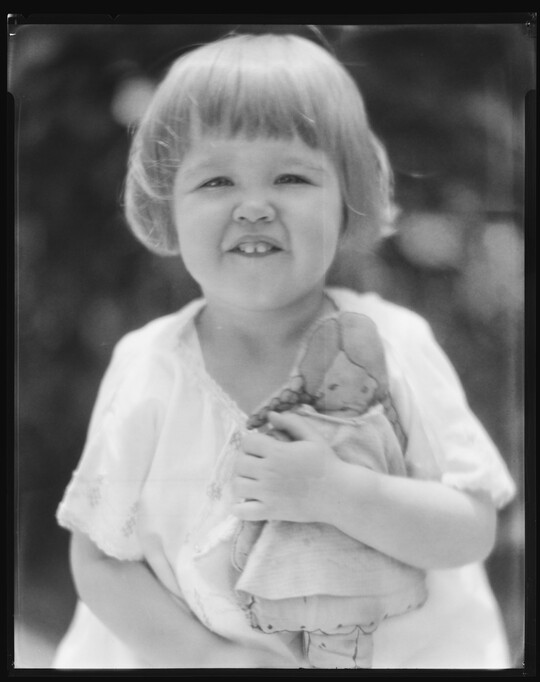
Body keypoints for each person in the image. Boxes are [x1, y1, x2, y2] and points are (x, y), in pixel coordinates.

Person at [53, 32, 516, 669]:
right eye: (216, 179)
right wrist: (208, 658)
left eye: (292, 176)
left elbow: (471, 524)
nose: (253, 206)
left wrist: (340, 492)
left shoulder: (390, 343)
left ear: (347, 196)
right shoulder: (149, 366)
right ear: (169, 204)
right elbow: (100, 559)